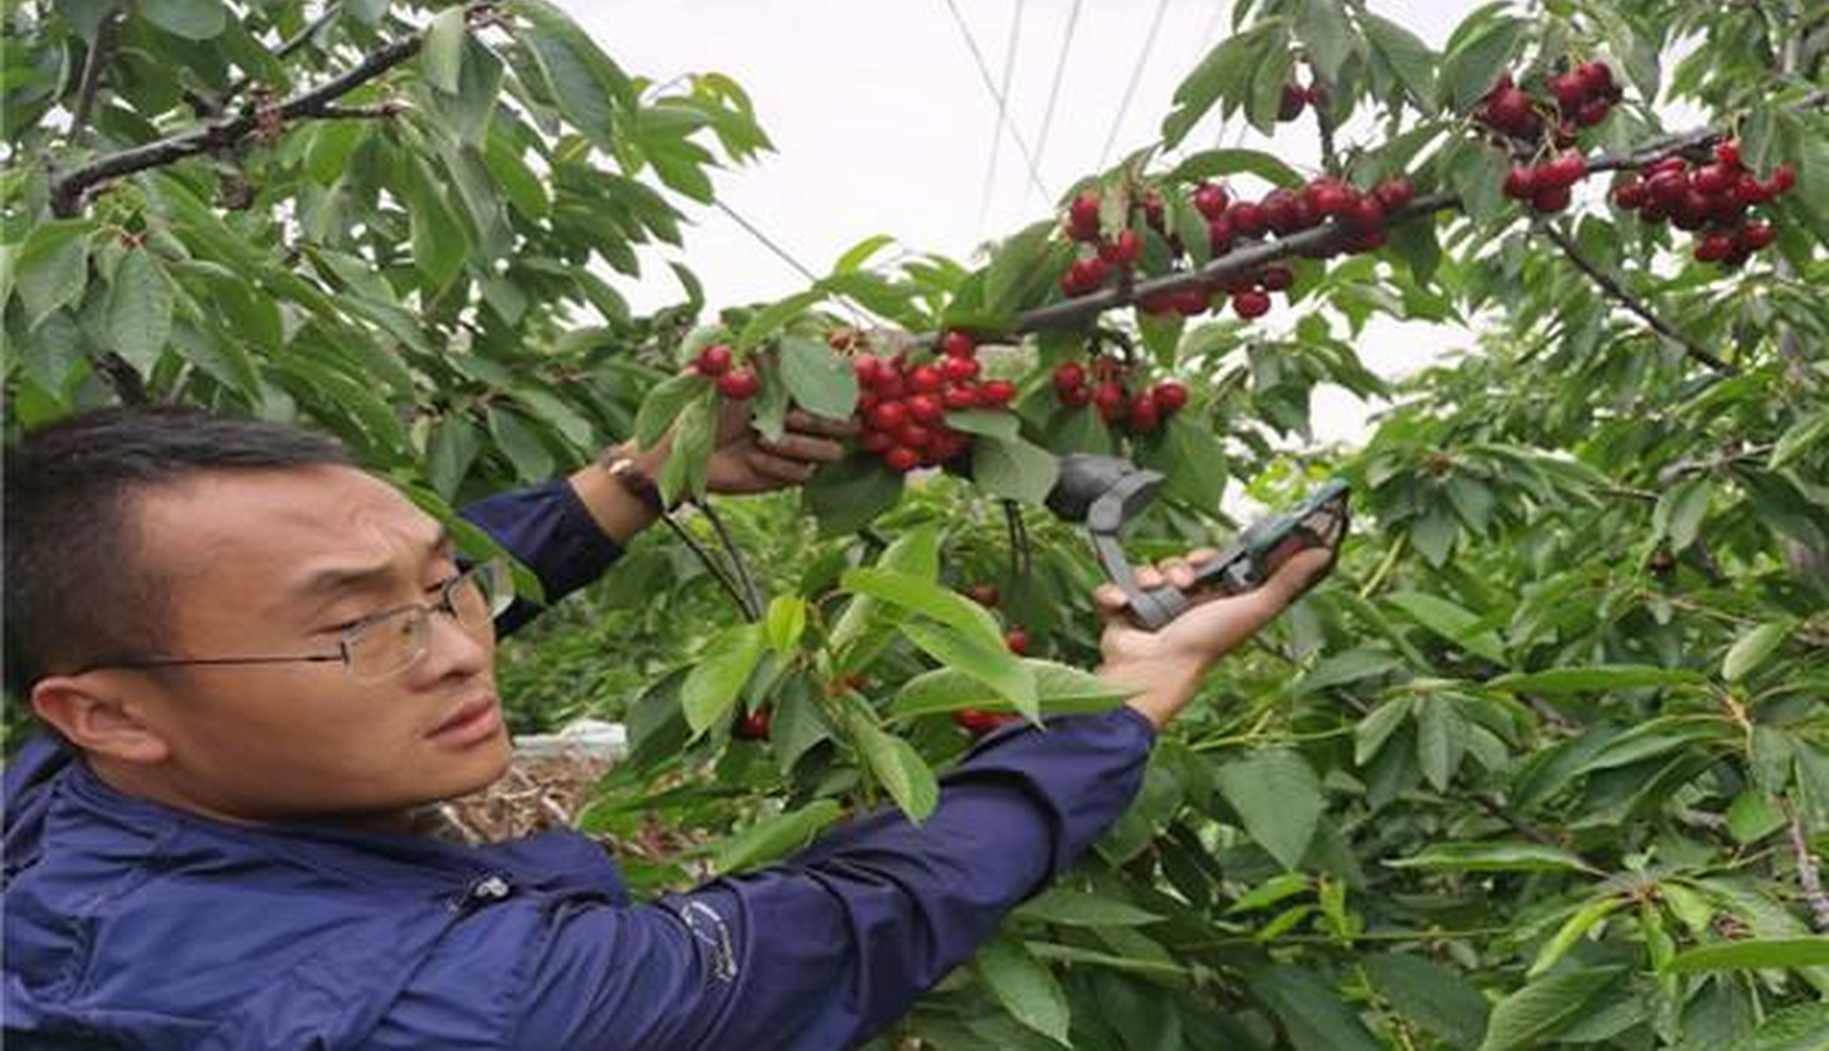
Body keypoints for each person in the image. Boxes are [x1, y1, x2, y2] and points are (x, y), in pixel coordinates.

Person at [3, 402, 1327, 1051]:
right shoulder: (472, 1008)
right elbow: (856, 919)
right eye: (363, 627)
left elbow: (413, 590)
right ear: (111, 712)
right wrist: (1116, 705)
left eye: (442, 584)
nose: (463, 645)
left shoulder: (69, 797)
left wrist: (639, 478)